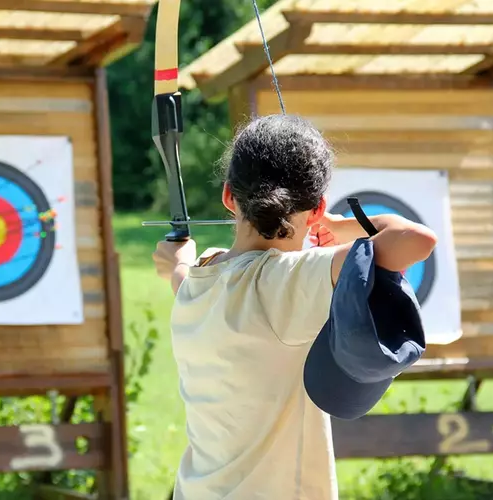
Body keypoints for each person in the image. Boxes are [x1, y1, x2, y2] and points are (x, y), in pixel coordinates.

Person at [152, 114, 437, 500]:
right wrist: (344, 224)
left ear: (228, 196)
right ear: (316, 208)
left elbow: (182, 276)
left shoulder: (199, 281)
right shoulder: (289, 281)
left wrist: (178, 261)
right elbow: (417, 240)